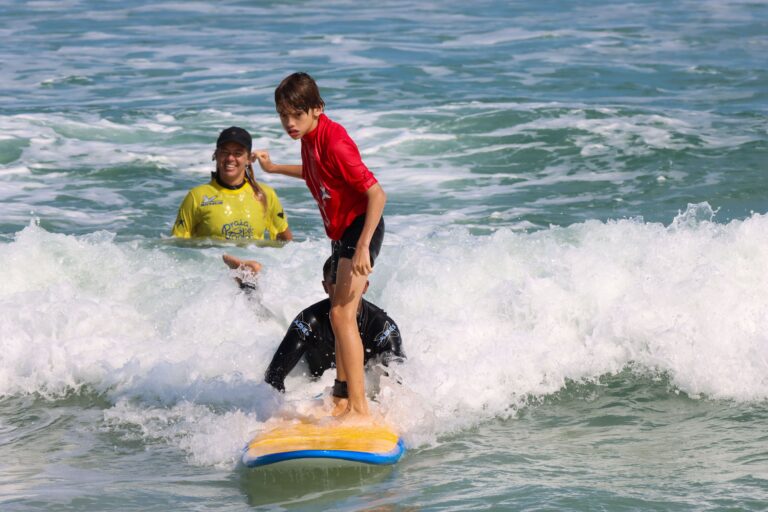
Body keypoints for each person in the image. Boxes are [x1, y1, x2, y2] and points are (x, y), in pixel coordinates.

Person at [253, 72, 387, 421]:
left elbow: (377, 194)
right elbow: (314, 171)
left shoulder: (335, 141)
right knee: (339, 314)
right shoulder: (310, 138)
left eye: (296, 114)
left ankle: (359, 407)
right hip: (342, 233)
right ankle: (342, 397)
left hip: (361, 228)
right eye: (283, 115)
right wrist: (274, 168)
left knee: (342, 314)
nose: (289, 123)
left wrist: (362, 246)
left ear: (317, 108)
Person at [247, 255, 404, 394]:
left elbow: (399, 386)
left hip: (356, 397)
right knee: (260, 314)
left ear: (364, 286)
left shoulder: (381, 327)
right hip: (314, 388)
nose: (344, 288)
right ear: (325, 287)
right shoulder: (308, 322)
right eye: (336, 281)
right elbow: (273, 377)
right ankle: (247, 283)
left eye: (352, 281)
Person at [171, 126, 293, 242]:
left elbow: (285, 241)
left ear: (248, 159)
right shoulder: (197, 196)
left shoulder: (265, 194)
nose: (230, 158)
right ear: (216, 155)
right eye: (225, 152)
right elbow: (177, 244)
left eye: (238, 153)